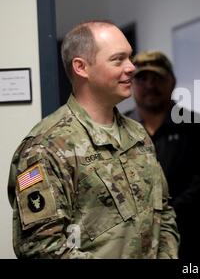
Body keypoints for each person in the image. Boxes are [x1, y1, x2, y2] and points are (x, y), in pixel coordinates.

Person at [7, 21, 179, 258]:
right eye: (118, 59)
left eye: (130, 58)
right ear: (81, 67)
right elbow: (40, 248)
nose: (131, 68)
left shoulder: (137, 135)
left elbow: (164, 215)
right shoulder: (46, 147)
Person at [125, 51, 200, 259]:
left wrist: (163, 215)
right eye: (142, 78)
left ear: (172, 82)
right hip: (129, 246)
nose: (150, 85)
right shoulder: (118, 130)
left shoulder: (197, 127)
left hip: (187, 244)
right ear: (131, 84)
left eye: (158, 78)